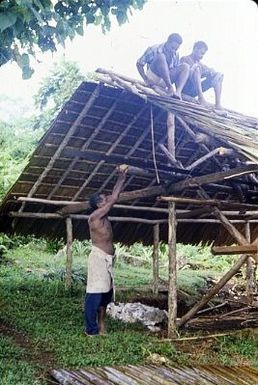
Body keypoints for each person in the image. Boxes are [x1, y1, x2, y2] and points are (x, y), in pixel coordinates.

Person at [84, 165, 128, 336]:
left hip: (108, 259)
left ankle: (101, 325)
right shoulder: (94, 217)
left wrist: (121, 177)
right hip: (98, 258)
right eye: (104, 199)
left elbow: (114, 196)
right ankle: (91, 329)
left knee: (105, 294)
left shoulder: (104, 214)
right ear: (99, 204)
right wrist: (119, 178)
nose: (108, 199)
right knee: (94, 294)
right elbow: (114, 199)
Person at [136, 33, 190, 99]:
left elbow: (175, 73)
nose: (173, 51)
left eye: (176, 49)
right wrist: (146, 79)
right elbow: (139, 64)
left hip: (164, 82)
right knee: (161, 56)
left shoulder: (176, 54)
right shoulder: (154, 48)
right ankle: (170, 88)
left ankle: (178, 92)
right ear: (167, 42)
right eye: (172, 48)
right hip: (153, 78)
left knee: (185, 66)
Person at [180, 41, 224, 109]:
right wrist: (199, 70)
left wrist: (211, 72)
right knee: (196, 69)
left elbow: (209, 70)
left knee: (218, 75)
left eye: (203, 54)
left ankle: (218, 104)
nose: (202, 56)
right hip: (185, 89)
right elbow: (190, 72)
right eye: (201, 53)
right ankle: (201, 97)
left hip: (194, 90)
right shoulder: (185, 59)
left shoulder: (200, 64)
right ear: (195, 49)